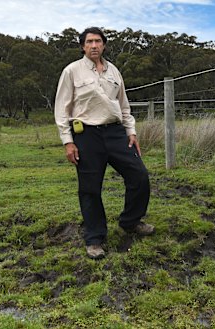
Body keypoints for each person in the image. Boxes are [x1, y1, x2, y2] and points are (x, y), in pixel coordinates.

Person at [54, 27, 153, 260]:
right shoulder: (72, 72)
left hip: (116, 132)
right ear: (82, 46)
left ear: (104, 45)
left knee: (139, 176)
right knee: (90, 188)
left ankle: (130, 222)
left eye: (98, 41)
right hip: (87, 135)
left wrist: (132, 132)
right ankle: (95, 239)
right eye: (89, 42)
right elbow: (61, 109)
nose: (94, 46)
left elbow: (124, 105)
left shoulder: (114, 71)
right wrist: (68, 141)